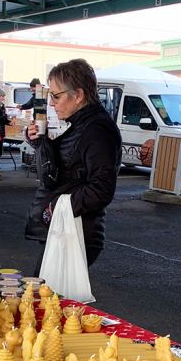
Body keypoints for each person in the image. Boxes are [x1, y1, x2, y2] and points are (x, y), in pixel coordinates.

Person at [24, 59, 122, 273]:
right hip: (66, 231)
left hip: (75, 232)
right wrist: (40, 142)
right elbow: (62, 168)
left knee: (47, 300)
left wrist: (57, 208)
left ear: (78, 95)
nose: (51, 103)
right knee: (47, 299)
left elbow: (102, 188)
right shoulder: (83, 125)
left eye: (56, 97)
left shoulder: (97, 130)